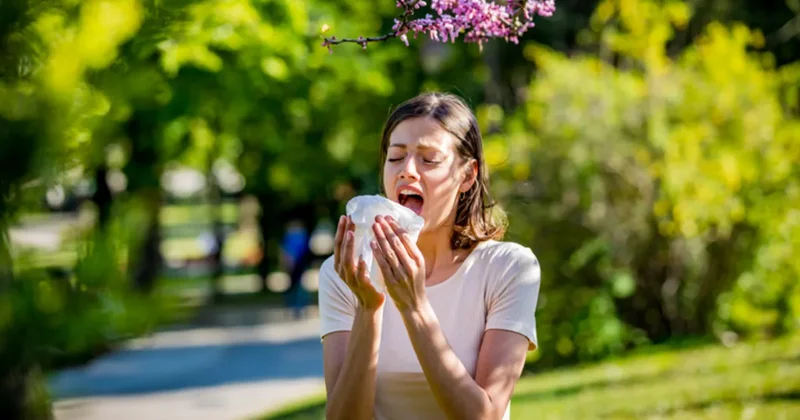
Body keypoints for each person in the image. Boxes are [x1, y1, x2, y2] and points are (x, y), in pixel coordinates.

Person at [318, 92, 541, 420]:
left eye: (429, 159)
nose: (407, 171)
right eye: (395, 157)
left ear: (467, 176)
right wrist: (369, 306)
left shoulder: (509, 269)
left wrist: (414, 306)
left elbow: (485, 416)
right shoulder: (344, 273)